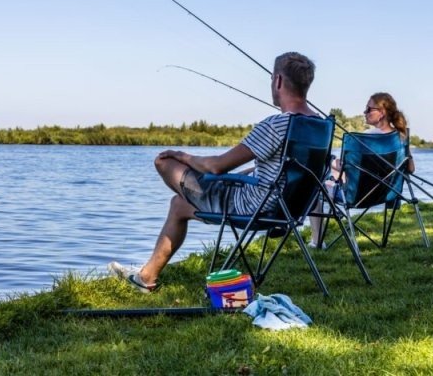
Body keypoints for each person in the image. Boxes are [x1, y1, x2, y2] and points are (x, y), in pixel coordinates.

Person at [108, 52, 318, 293]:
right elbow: (291, 171)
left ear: (278, 81)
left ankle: (146, 278)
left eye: (272, 79)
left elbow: (217, 165)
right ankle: (146, 277)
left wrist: (182, 155)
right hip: (289, 210)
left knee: (164, 162)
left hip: (254, 208)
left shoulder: (277, 124)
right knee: (179, 204)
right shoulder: (319, 124)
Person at [308, 92, 414, 248]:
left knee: (314, 188)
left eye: (369, 109)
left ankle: (317, 241)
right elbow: (410, 169)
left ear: (382, 112)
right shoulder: (400, 137)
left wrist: (329, 161)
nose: (364, 113)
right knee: (334, 178)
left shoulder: (366, 138)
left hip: (356, 196)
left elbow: (344, 166)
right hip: (388, 193)